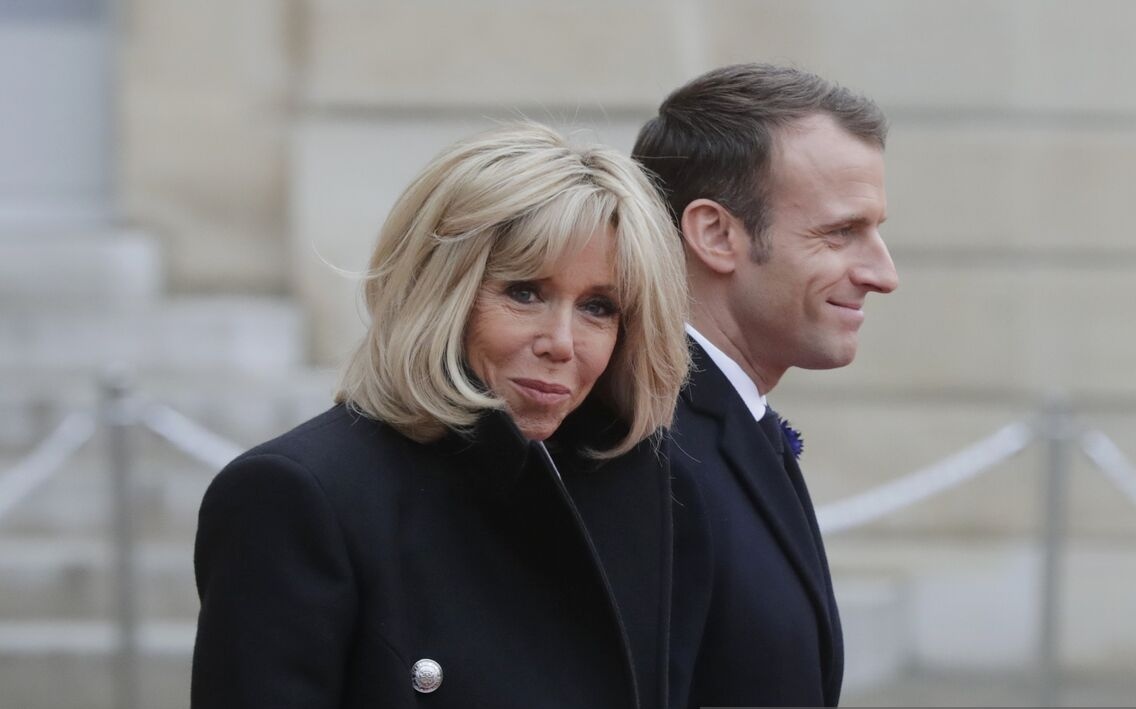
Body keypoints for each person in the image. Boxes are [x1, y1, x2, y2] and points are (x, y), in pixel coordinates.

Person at [191, 122, 690, 709]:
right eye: (524, 292)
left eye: (598, 307)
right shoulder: (295, 496)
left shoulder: (635, 484)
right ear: (439, 292)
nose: (562, 342)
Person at [633, 63, 900, 707]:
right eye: (841, 232)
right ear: (716, 234)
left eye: (875, 231)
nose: (883, 274)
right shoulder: (646, 445)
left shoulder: (714, 419)